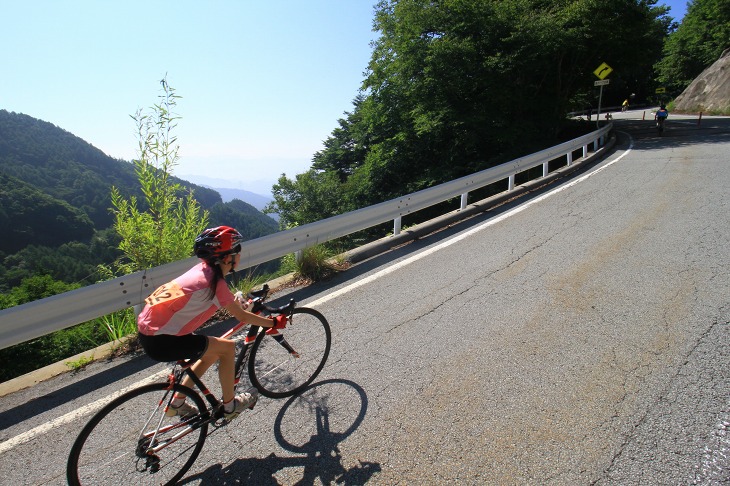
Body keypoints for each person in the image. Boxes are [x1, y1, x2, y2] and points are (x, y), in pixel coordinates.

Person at [137, 225, 288, 421]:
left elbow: (224, 298)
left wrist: (239, 300)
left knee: (208, 354)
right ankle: (230, 406)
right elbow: (242, 317)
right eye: (238, 250)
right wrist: (271, 323)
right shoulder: (214, 283)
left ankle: (177, 404)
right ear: (228, 258)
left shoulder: (202, 271)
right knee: (227, 348)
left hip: (151, 334)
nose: (240, 254)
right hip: (163, 340)